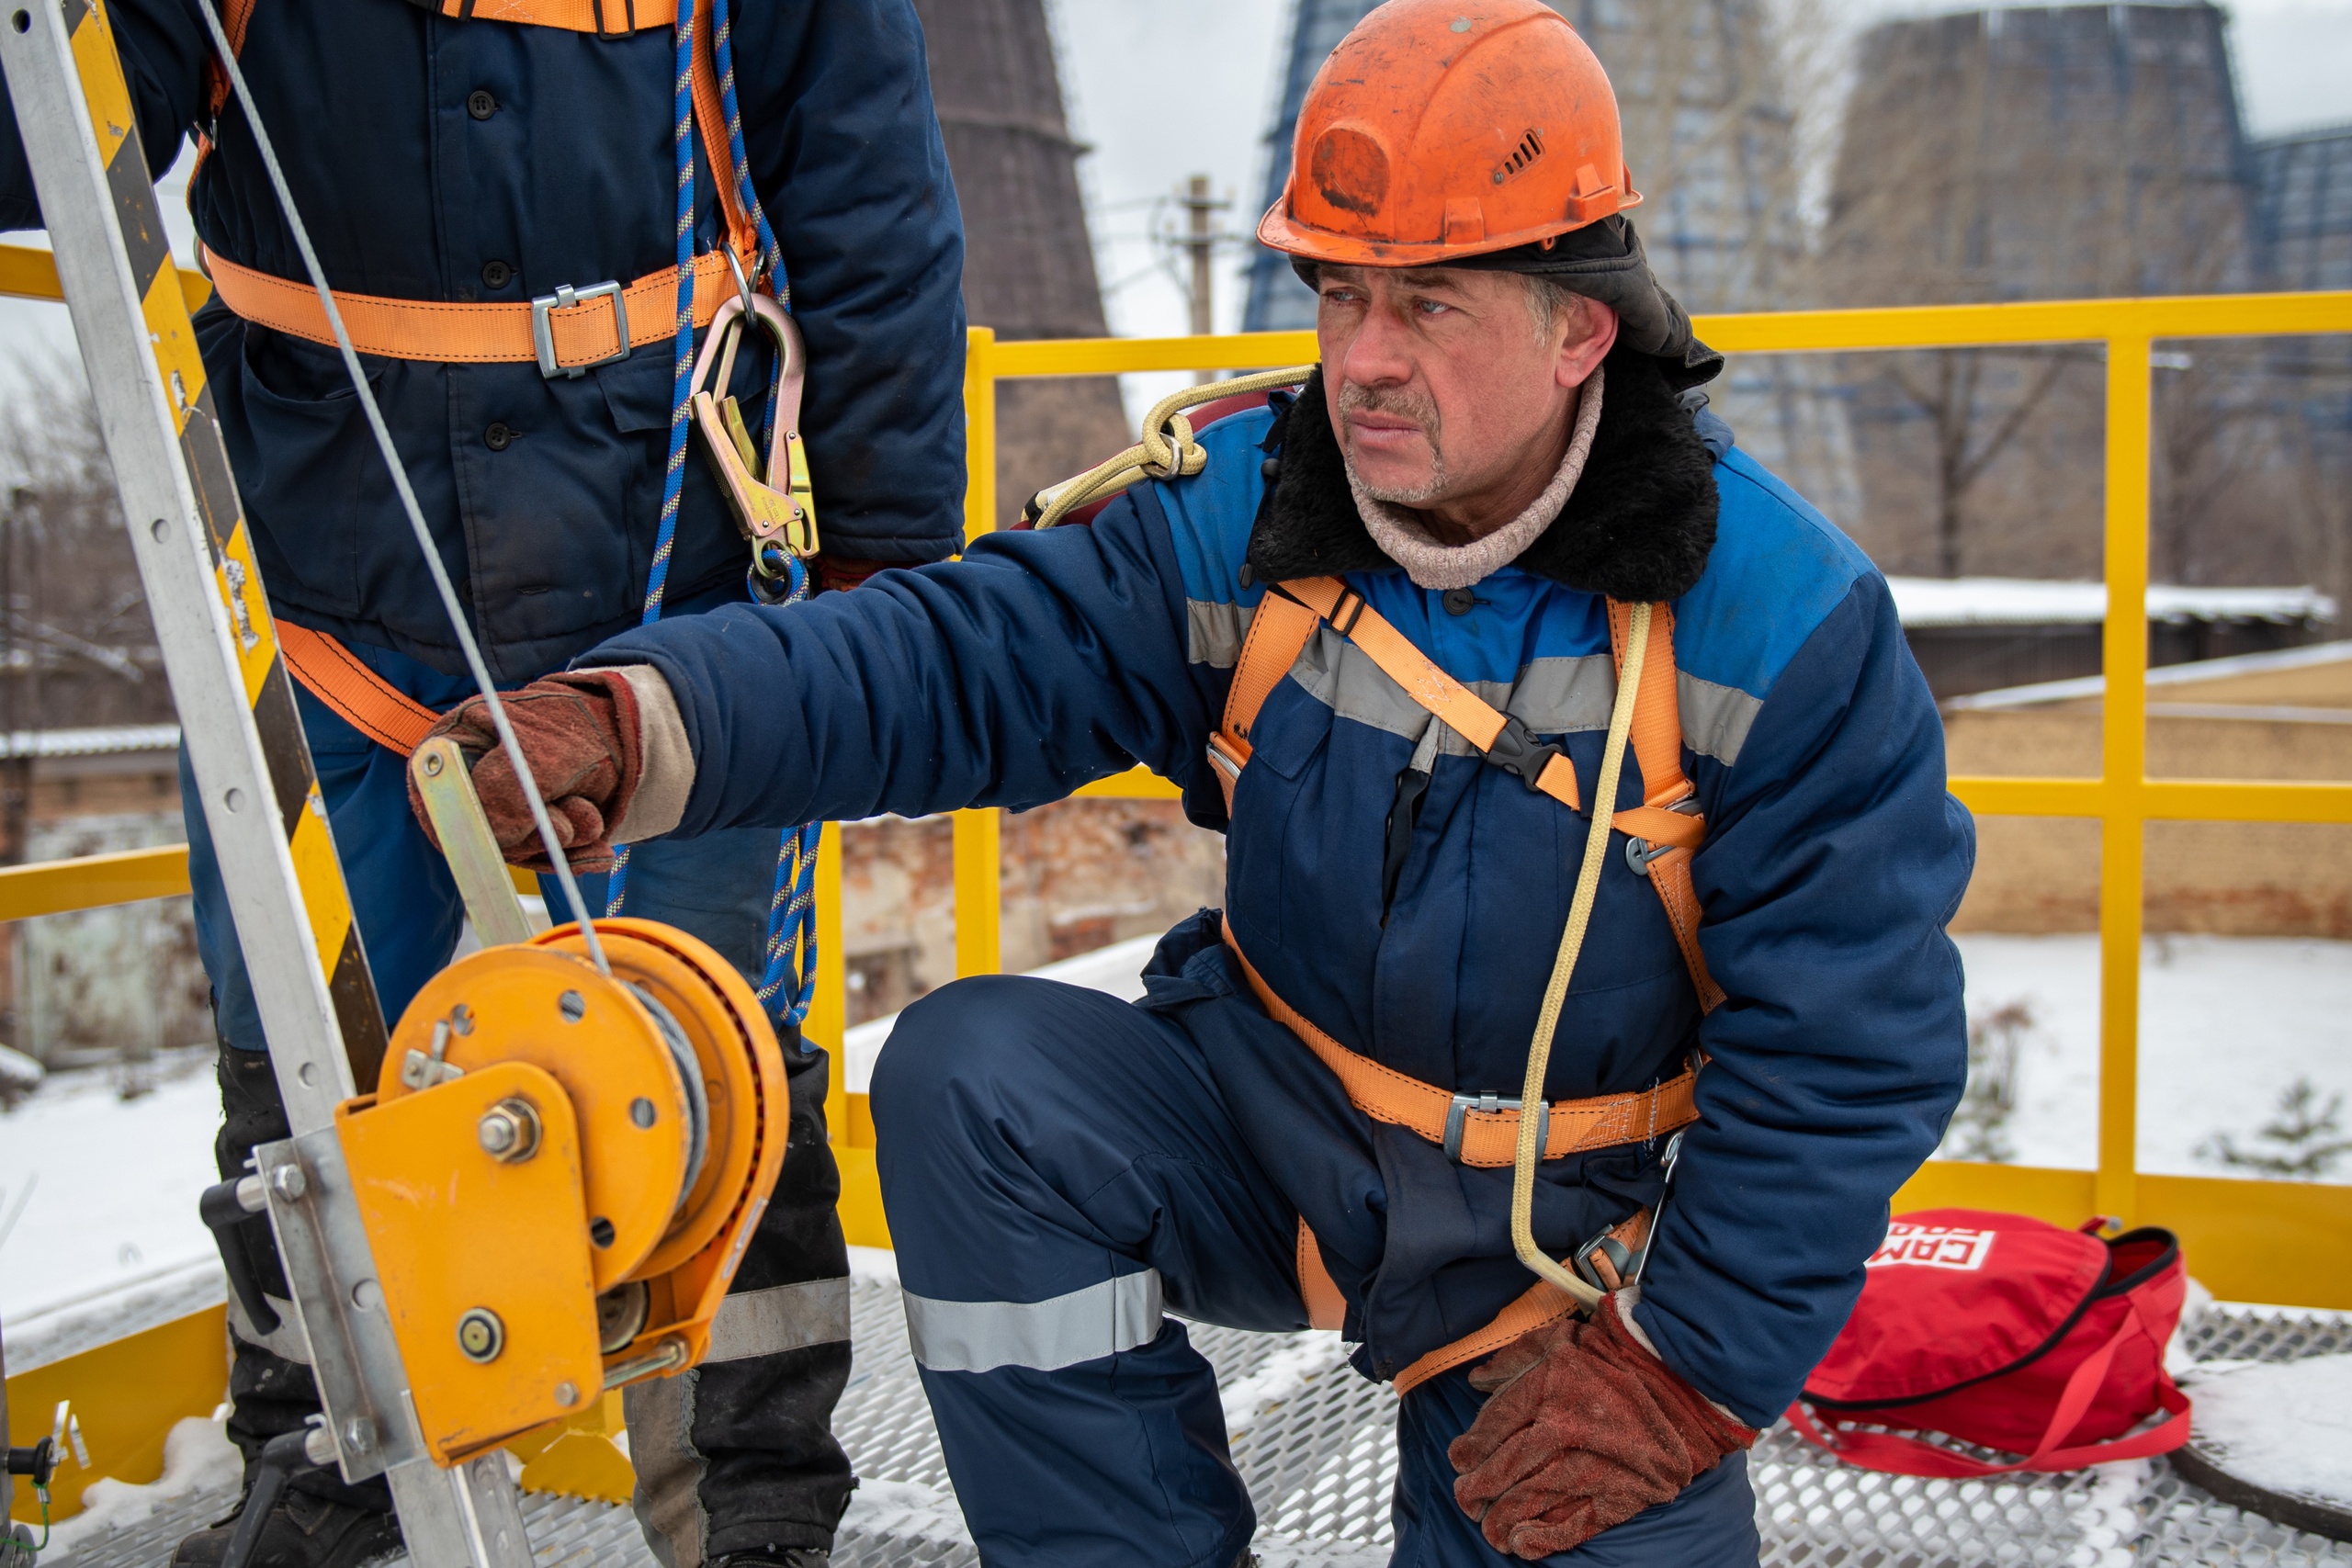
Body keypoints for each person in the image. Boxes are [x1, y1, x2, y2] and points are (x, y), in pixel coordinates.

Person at [422, 1, 1973, 1562]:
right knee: (980, 1081)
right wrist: (648, 720)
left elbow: (1846, 1054)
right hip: (1280, 1131)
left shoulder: (1776, 622)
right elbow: (966, 654)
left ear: (1582, 329)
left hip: (1560, 1244)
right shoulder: (1245, 510)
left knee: (1578, 1513)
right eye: (1340, 293)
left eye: (1430, 305)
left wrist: (1680, 1368)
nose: (1362, 361)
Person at [0, 3, 967, 1565]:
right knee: (311, 1074)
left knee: (709, 1057)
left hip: (683, 574)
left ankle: (752, 1523)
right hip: (318, 565)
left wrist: (882, 571)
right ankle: (330, 1489)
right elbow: (61, 118)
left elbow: (865, 194)